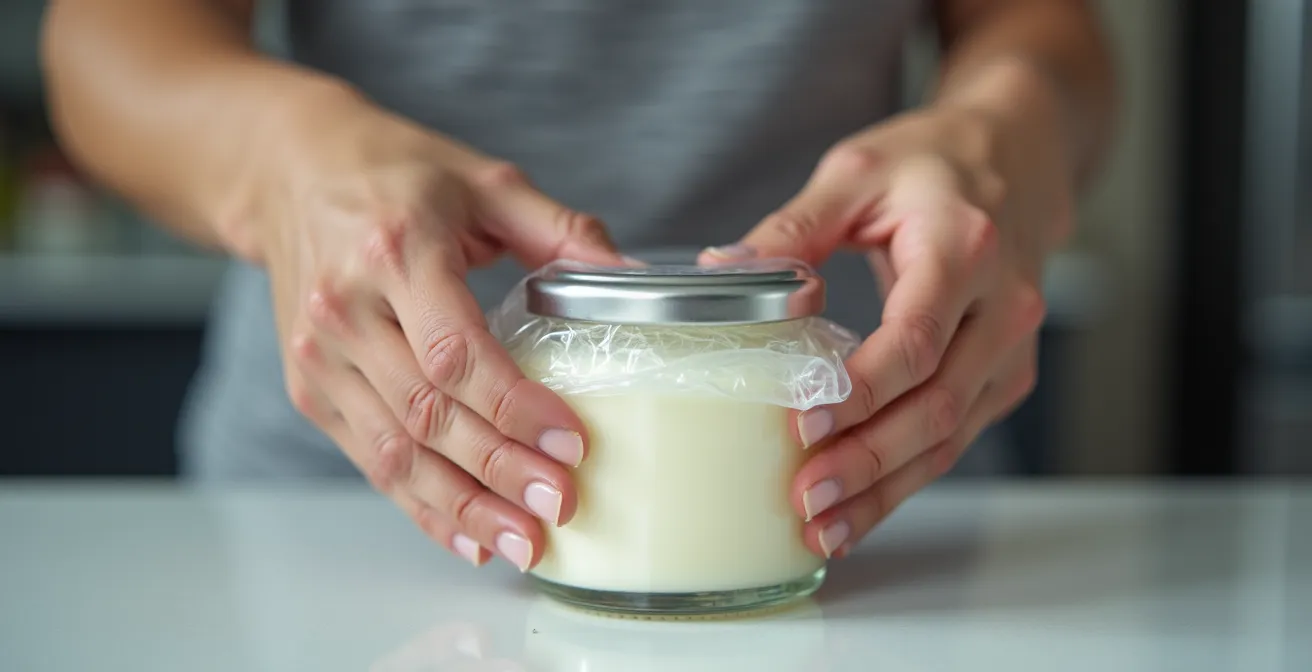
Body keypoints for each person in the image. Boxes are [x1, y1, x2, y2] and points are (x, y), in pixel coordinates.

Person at [42, 1, 1114, 570]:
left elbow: (1045, 26)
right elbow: (103, 37)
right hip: (345, 506)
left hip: (870, 491)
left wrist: (1004, 129)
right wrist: (284, 160)